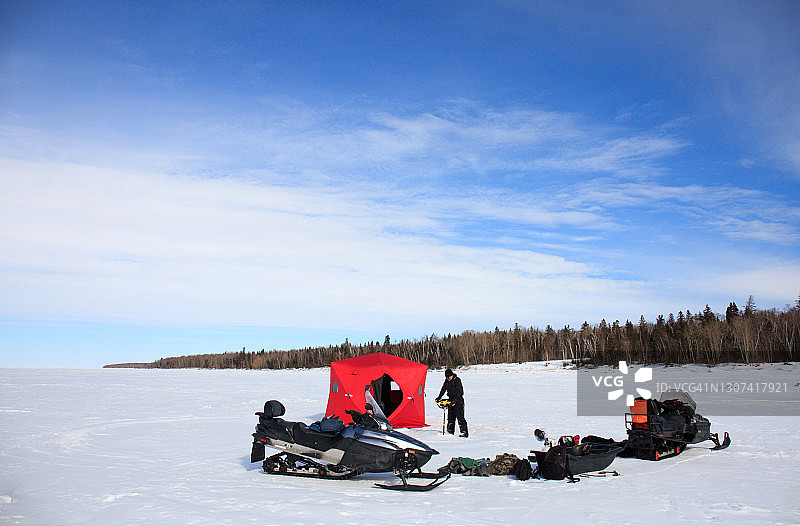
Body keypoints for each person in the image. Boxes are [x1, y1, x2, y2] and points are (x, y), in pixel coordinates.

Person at [436, 368, 468, 437]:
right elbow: (443, 389)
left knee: (460, 417)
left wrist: (455, 400)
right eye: (447, 377)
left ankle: (464, 432)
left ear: (452, 375)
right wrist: (439, 397)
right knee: (450, 418)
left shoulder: (457, 380)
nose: (448, 379)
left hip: (458, 401)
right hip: (450, 401)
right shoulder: (446, 381)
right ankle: (450, 432)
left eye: (449, 377)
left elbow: (460, 392)